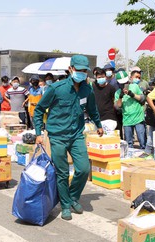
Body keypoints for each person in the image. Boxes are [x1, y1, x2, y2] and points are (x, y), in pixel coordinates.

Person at [34, 55, 103, 221]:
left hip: (76, 134)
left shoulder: (87, 89)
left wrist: (99, 124)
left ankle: (72, 196)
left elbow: (92, 109)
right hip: (57, 135)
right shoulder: (57, 89)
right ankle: (65, 205)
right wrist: (38, 133)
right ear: (71, 69)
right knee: (62, 173)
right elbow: (39, 110)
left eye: (84, 71)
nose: (81, 73)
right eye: (78, 70)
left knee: (84, 168)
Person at [114, 70, 146, 149]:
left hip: (138, 117)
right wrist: (120, 97)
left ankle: (144, 154)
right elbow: (117, 106)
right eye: (122, 83)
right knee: (129, 143)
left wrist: (131, 94)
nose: (124, 85)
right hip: (127, 119)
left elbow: (142, 98)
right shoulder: (117, 93)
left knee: (142, 140)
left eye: (125, 82)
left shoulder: (134, 86)